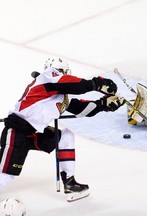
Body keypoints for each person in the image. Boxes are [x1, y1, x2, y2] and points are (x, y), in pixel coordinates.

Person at [0, 57, 124, 201]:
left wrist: (104, 104)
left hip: (35, 133)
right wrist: (98, 83)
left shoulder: (60, 94)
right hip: (18, 131)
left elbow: (81, 109)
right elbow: (78, 85)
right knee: (6, 176)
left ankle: (69, 182)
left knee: (65, 137)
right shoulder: (47, 77)